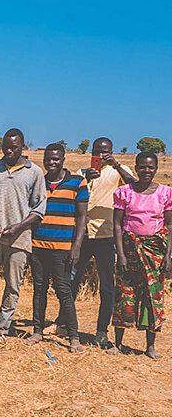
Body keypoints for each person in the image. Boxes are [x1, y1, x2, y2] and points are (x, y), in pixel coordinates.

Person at [0, 129, 47, 346]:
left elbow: (39, 208)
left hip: (19, 238)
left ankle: (0, 329)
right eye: (6, 147)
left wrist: (19, 226)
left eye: (14, 147)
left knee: (13, 286)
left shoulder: (34, 172)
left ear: (23, 146)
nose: (10, 151)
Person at [65, 137, 136, 347]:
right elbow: (70, 191)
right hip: (82, 235)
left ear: (112, 152)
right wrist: (85, 177)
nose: (101, 155)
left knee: (106, 286)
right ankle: (65, 323)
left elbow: (134, 185)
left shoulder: (118, 171)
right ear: (91, 152)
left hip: (106, 236)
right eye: (97, 151)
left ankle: (101, 331)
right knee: (71, 282)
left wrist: (116, 164)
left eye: (105, 151)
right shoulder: (81, 173)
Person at [28, 145, 89, 353]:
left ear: (63, 159)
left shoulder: (77, 182)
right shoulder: (39, 182)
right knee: (39, 289)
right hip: (38, 245)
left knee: (63, 291)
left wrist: (77, 246)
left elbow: (81, 217)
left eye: (56, 159)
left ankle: (73, 336)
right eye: (48, 159)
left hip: (63, 247)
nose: (51, 162)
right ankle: (37, 331)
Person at [112, 151, 172, 359]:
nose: (146, 171)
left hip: (155, 252)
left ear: (156, 169)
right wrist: (121, 254)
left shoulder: (165, 193)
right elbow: (117, 225)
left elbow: (170, 225)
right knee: (125, 294)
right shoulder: (124, 192)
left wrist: (167, 256)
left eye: (151, 167)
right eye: (142, 167)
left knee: (152, 297)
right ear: (135, 168)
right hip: (129, 249)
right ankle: (117, 343)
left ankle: (150, 347)